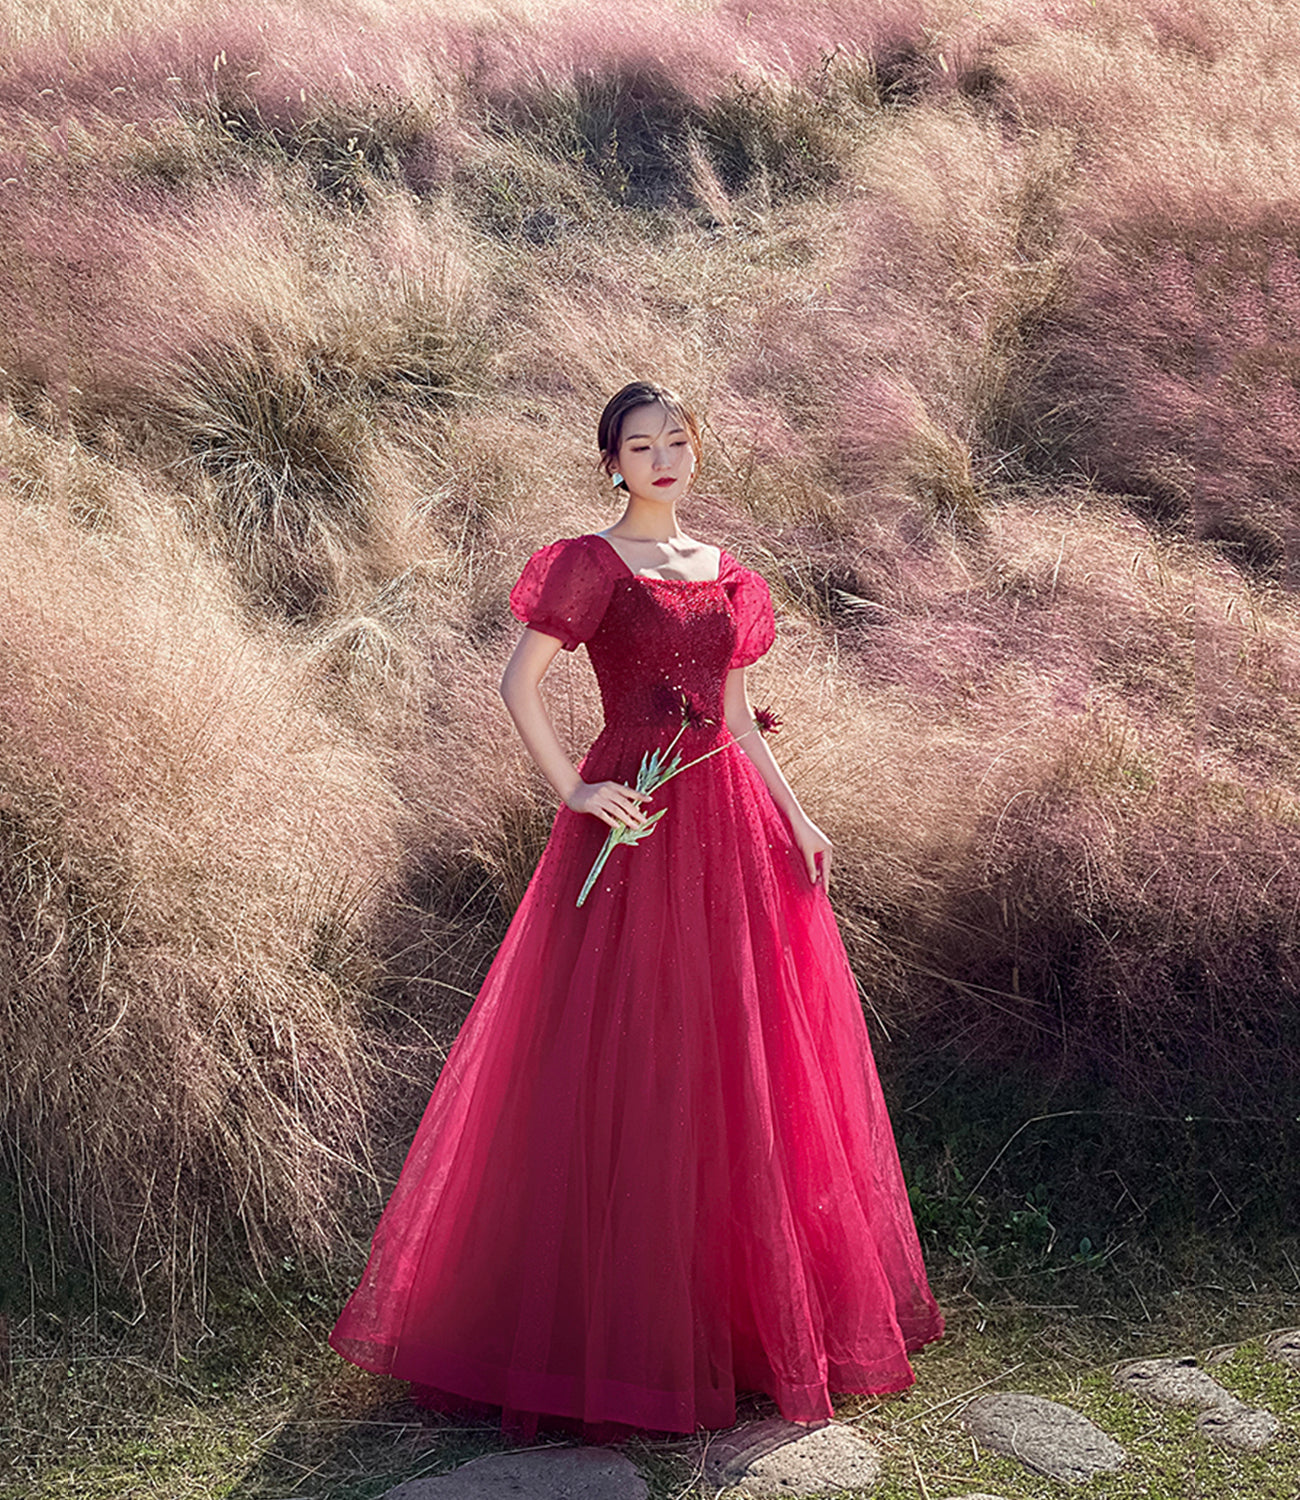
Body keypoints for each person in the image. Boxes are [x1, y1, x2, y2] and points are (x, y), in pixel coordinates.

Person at [329, 381, 943, 1439]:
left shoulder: (725, 573)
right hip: (637, 818)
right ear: (611, 462)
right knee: (622, 1053)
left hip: (731, 821)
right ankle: (604, 1328)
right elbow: (517, 683)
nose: (660, 458)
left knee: (736, 1055)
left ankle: (740, 1320)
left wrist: (799, 816)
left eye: (675, 441)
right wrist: (573, 786)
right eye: (639, 445)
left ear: (695, 452)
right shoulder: (591, 564)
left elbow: (740, 718)